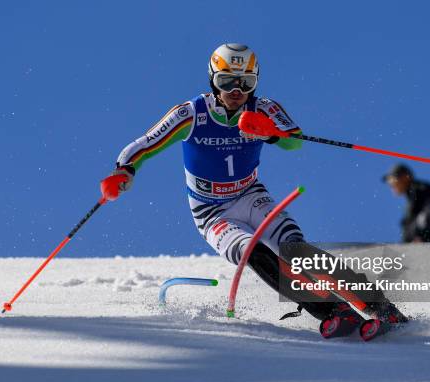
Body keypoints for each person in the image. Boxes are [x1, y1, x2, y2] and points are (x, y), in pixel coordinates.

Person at [101, 43, 405, 330]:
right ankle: (332, 312)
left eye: (245, 83)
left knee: (296, 250)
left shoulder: (264, 108)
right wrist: (124, 171)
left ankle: (381, 307)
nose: (236, 91)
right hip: (212, 213)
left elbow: (295, 142)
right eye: (227, 81)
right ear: (212, 80)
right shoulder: (191, 114)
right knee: (253, 253)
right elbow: (144, 145)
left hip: (251, 196)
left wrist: (270, 132)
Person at [383, 164, 430, 243]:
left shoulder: (421, 188)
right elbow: (409, 227)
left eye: (393, 180)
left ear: (405, 177)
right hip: (428, 244)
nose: (391, 185)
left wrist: (418, 228)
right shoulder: (410, 200)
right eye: (389, 182)